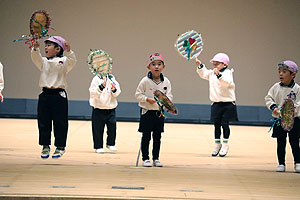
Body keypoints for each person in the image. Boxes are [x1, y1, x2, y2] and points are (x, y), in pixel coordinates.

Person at [31, 36, 77, 159]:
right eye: (45, 45)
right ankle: (45, 145)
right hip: (45, 95)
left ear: (57, 49)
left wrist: (69, 51)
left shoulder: (64, 61)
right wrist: (35, 49)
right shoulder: (44, 61)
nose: (45, 47)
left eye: (49, 45)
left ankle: (60, 147)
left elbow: (72, 61)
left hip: (59, 95)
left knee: (60, 122)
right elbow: (35, 58)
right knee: (43, 122)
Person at [195, 53, 238, 157]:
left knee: (225, 123)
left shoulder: (228, 73)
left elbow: (227, 83)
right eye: (214, 63)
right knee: (216, 124)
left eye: (217, 63)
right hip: (216, 103)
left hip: (228, 104)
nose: (214, 65)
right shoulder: (212, 73)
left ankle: (225, 144)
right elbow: (204, 74)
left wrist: (219, 75)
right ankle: (217, 144)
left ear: (224, 64)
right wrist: (200, 66)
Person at [135, 53, 173, 167]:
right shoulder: (144, 81)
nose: (156, 67)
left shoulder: (166, 82)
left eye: (159, 64)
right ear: (149, 67)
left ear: (163, 67)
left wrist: (166, 102)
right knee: (146, 136)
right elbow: (137, 94)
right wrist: (147, 99)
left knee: (157, 136)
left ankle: (156, 158)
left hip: (159, 113)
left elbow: (170, 96)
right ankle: (145, 158)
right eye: (153, 64)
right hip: (147, 112)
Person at [265, 60, 300, 173]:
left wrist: (291, 109)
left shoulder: (297, 89)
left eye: (284, 71)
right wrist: (274, 107)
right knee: (281, 141)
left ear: (293, 74)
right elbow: (268, 98)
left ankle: (297, 163)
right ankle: (281, 163)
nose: (280, 74)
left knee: (294, 141)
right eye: (279, 71)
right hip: (279, 119)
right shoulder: (276, 87)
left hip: (294, 120)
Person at [89, 72, 121, 154]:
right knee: (97, 129)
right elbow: (92, 93)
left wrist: (114, 90)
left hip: (110, 108)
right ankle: (98, 146)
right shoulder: (96, 79)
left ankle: (110, 143)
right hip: (98, 109)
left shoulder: (112, 79)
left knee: (112, 127)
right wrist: (101, 87)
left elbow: (117, 92)